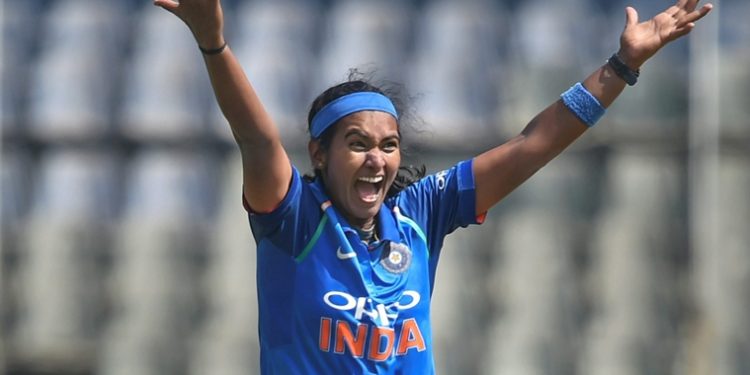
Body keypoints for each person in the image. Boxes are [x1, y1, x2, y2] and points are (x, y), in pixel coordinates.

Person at [154, 0, 713, 373]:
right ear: (319, 154)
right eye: (357, 143)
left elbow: (533, 144)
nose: (377, 159)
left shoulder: (421, 213)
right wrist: (214, 45)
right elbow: (255, 139)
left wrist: (623, 65)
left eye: (388, 145)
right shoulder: (294, 218)